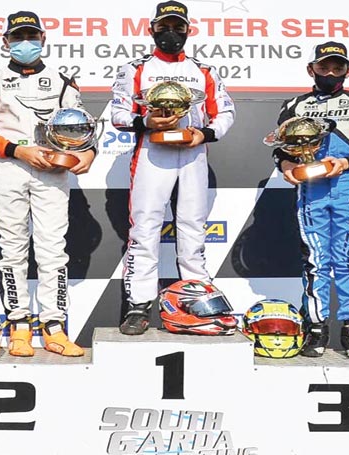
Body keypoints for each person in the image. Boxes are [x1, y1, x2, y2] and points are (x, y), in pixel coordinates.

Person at [0, 11, 95, 357]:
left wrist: (89, 151)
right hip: (10, 168)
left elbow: (81, 126)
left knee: (53, 250)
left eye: (31, 36)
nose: (25, 43)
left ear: (43, 39)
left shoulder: (62, 82)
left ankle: (54, 327)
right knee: (12, 250)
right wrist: (17, 150)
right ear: (6, 42)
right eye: (18, 37)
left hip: (52, 170)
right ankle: (18, 326)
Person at [111, 0, 236, 335]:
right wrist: (146, 121)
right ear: (151, 30)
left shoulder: (204, 70)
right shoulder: (135, 68)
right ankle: (139, 305)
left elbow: (225, 112)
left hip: (193, 154)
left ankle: (198, 302)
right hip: (152, 152)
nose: (171, 33)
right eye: (163, 27)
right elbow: (118, 114)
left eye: (177, 27)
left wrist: (205, 133)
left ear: (188, 31)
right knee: (144, 230)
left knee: (193, 228)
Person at [272, 41, 349, 360]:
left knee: (346, 259)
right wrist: (286, 166)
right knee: (315, 260)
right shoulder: (294, 105)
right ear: (310, 69)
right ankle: (316, 328)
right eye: (323, 67)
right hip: (310, 191)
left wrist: (347, 163)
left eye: (337, 67)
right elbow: (281, 148)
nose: (330, 73)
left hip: (346, 188)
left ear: (347, 71)